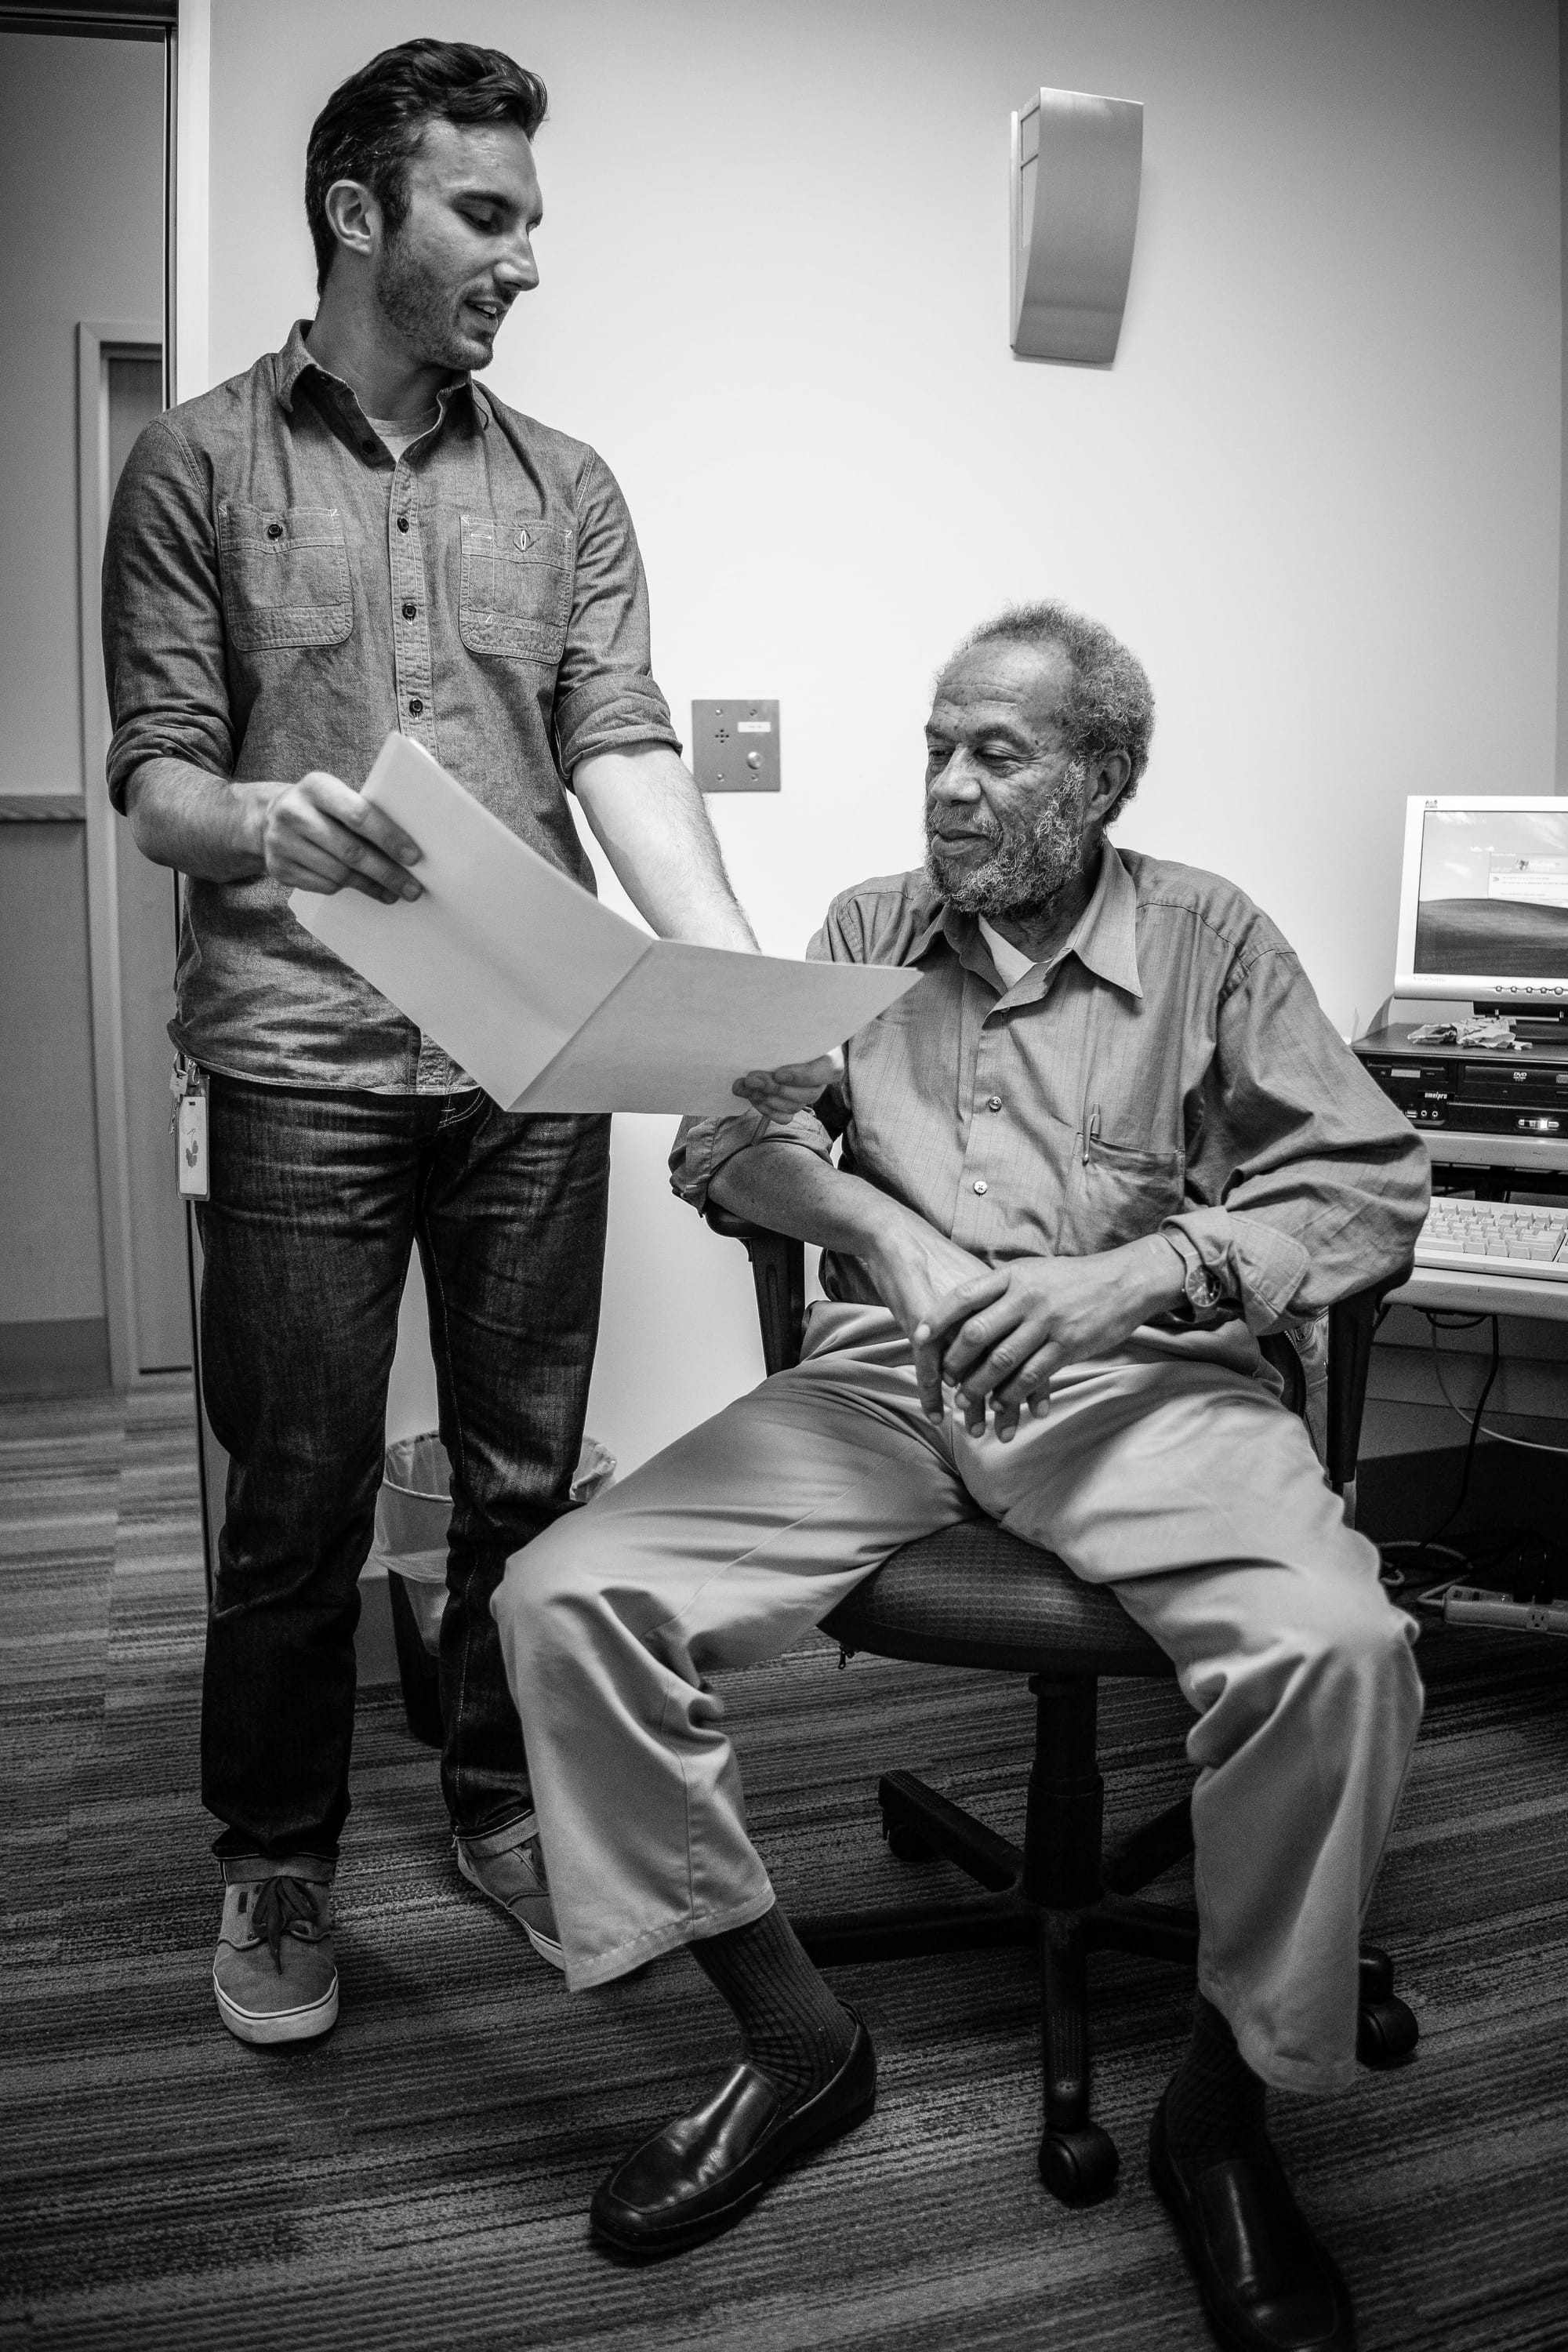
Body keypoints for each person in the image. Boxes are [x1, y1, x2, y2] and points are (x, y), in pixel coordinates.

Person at [492, 602, 1429, 2352]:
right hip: (888, 1391)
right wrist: (883, 1241)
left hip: (1146, 1394)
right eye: (934, 745)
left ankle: (1220, 2120)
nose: (945, 785)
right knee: (560, 1596)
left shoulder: (1213, 939)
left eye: (994, 753)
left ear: (1097, 780)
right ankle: (794, 2039)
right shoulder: (864, 932)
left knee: (1339, 1653)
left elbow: (1367, 1188)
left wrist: (1146, 1274)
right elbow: (726, 1141)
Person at [101, 38, 824, 2050]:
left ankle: (509, 1814)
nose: (522, 261)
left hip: (532, 1071)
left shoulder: (569, 486)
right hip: (297, 1059)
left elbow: (624, 747)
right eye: (485, 216)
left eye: (530, 221)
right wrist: (261, 819)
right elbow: (155, 778)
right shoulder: (196, 465)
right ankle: (276, 1860)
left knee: (525, 1481)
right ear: (361, 215)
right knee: (304, 1489)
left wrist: (746, 992)